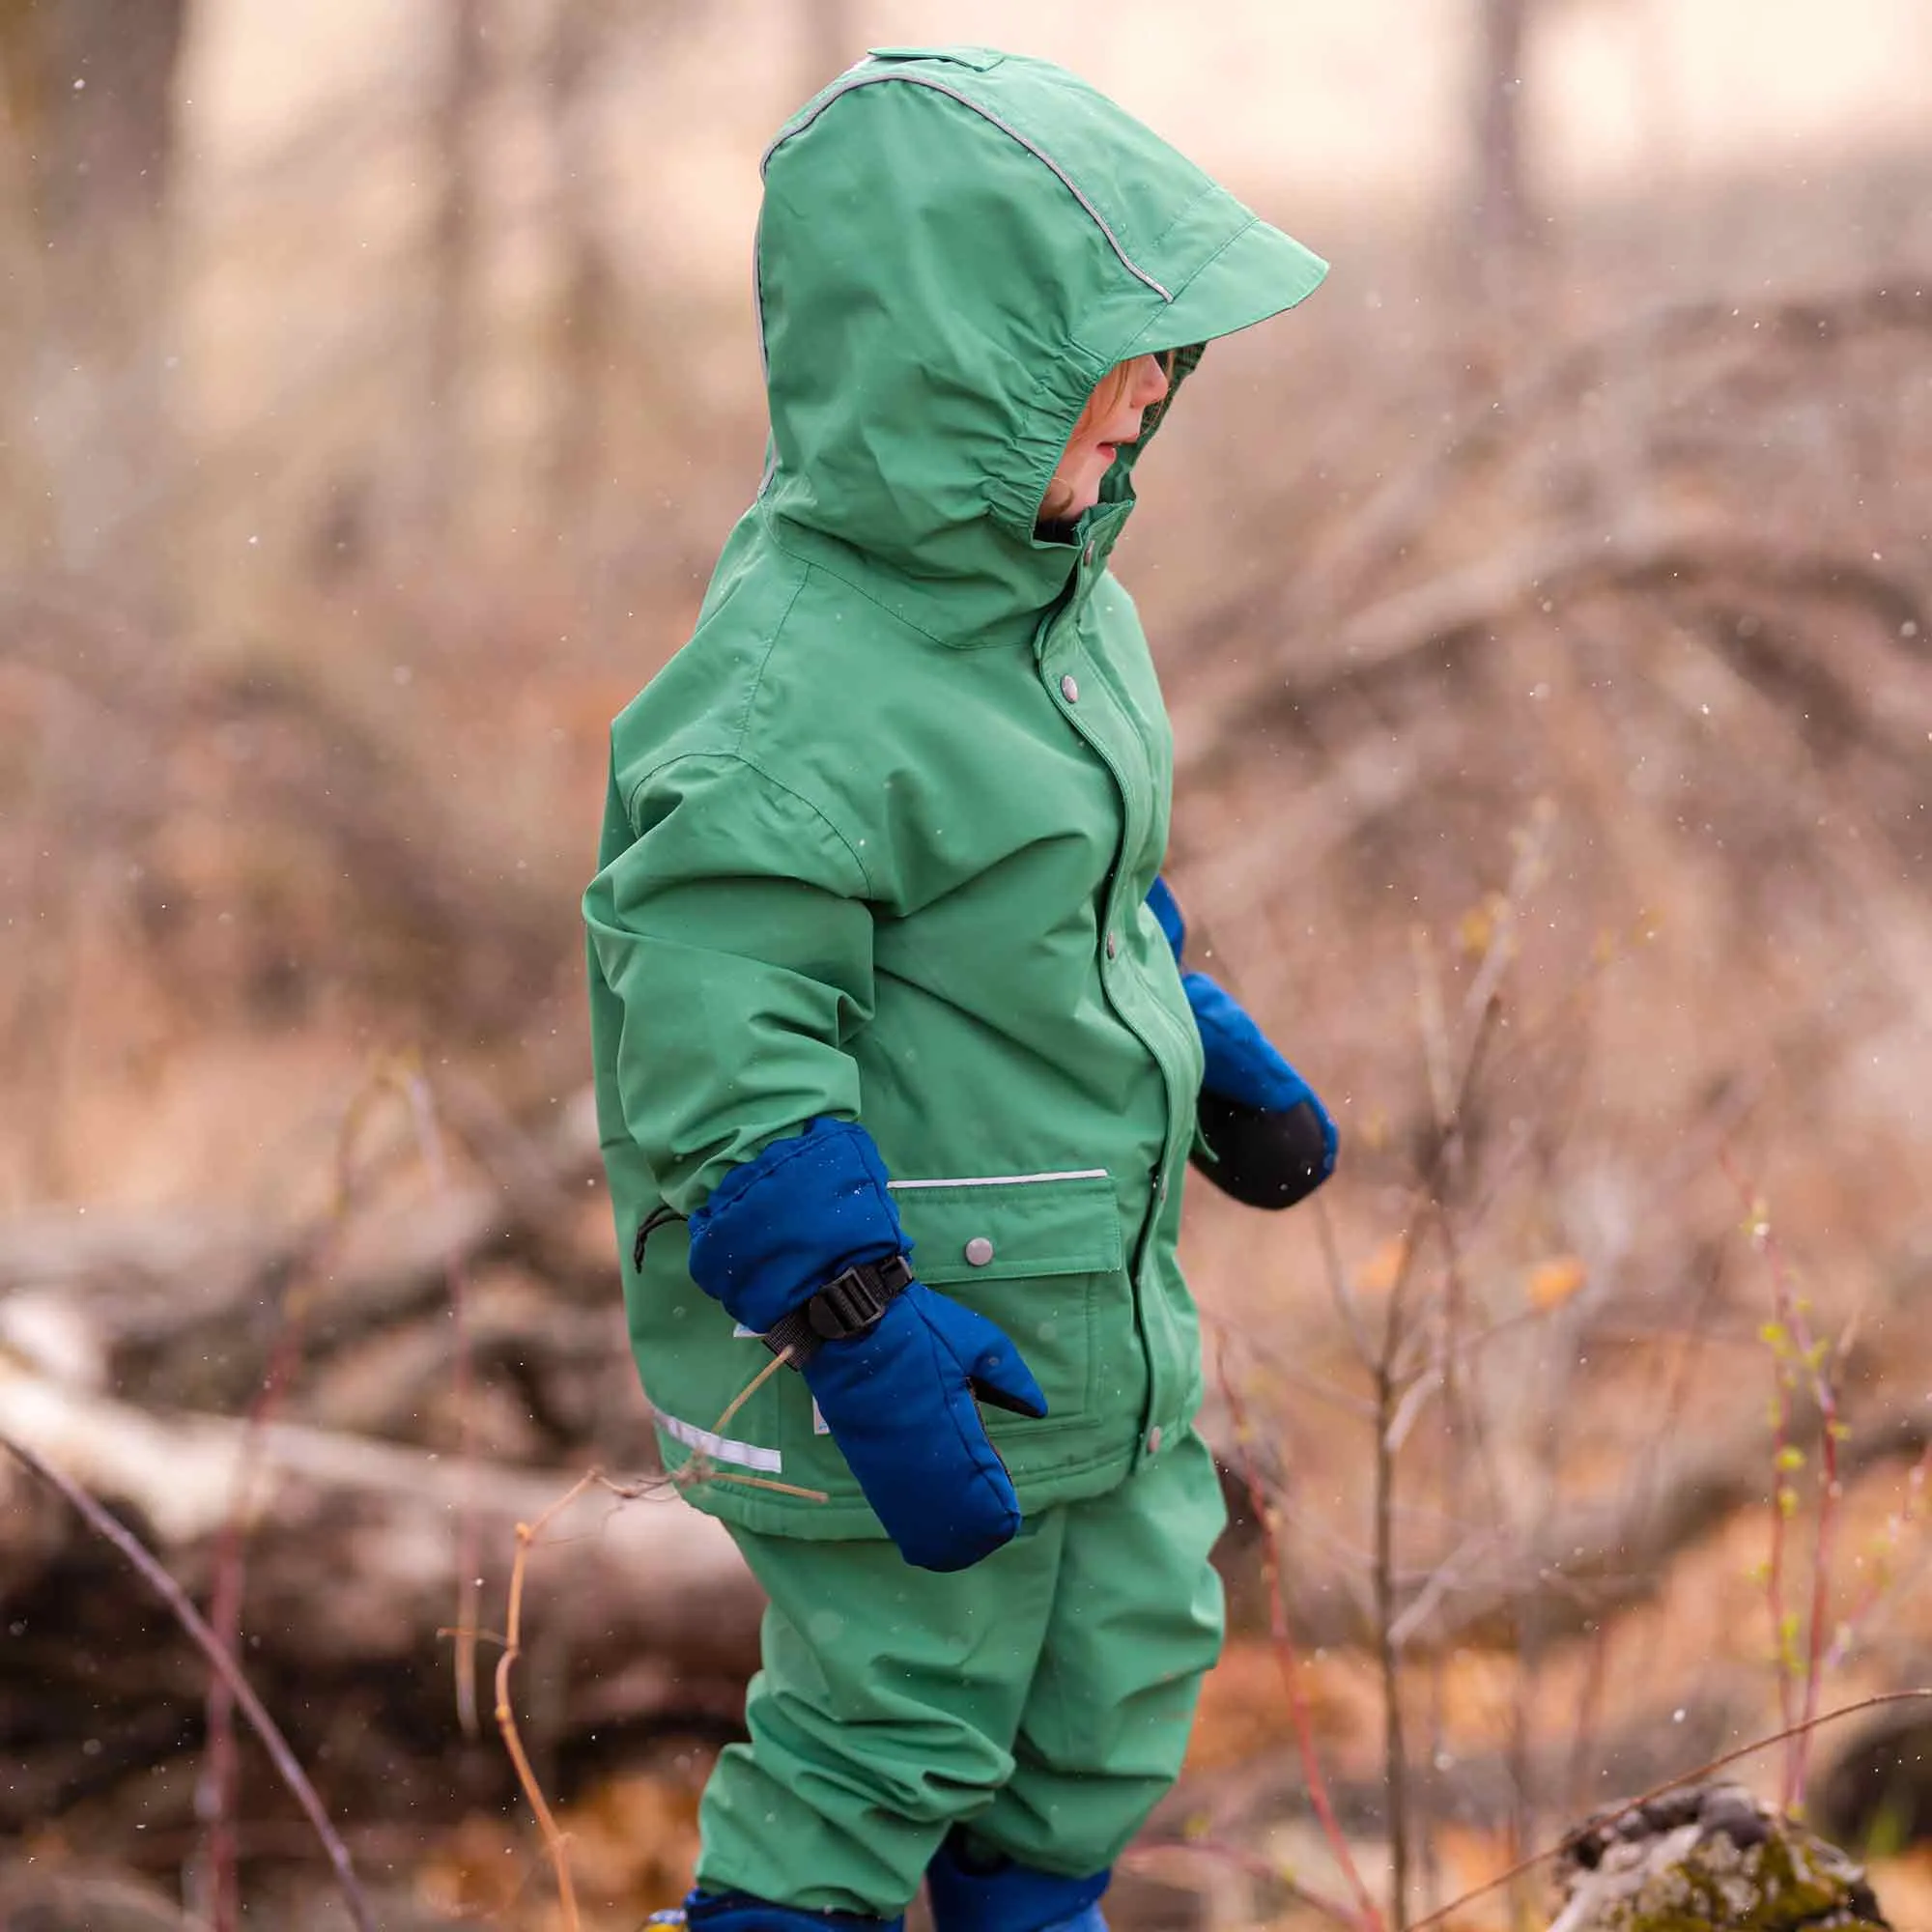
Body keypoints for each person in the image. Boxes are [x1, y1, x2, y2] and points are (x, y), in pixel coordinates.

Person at [583, 43, 1337, 1932]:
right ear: (952, 373)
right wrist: (848, 1312)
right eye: (1106, 348)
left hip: (1094, 1313)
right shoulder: (788, 695)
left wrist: (1193, 1022)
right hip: (910, 1341)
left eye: (1161, 350)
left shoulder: (1054, 604)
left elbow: (1056, 886)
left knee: (1113, 1687)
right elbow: (716, 1025)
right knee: (885, 1725)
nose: (1153, 385)